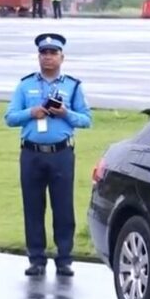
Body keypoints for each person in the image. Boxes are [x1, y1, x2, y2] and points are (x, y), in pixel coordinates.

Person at [5, 33, 91, 277]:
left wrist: (65, 114)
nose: (48, 57)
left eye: (53, 53)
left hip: (61, 153)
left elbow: (86, 119)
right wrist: (31, 113)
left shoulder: (72, 86)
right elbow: (10, 117)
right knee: (33, 207)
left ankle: (64, 259)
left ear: (62, 57)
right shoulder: (25, 85)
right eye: (44, 53)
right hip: (31, 153)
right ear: (38, 56)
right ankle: (36, 258)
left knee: (63, 207)